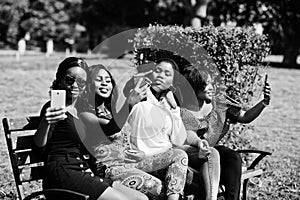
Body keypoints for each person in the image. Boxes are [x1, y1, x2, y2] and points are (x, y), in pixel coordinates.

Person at [33, 57, 148, 200]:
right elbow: (39, 148)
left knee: (140, 198)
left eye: (81, 81)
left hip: (81, 169)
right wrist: (45, 121)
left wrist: (129, 104)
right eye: (70, 80)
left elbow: (111, 128)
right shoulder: (54, 108)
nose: (75, 85)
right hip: (62, 171)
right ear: (59, 81)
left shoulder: (80, 112)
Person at [80, 64, 189, 200]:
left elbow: (125, 137)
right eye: (99, 80)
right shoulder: (85, 114)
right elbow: (111, 128)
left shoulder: (112, 110)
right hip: (110, 168)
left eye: (108, 81)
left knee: (179, 154)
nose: (104, 84)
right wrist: (129, 103)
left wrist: (139, 152)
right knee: (156, 185)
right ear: (89, 84)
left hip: (131, 163)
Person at [123, 58, 220, 200]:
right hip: (148, 157)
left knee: (211, 153)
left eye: (167, 74)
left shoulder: (169, 103)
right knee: (195, 179)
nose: (161, 75)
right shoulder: (139, 96)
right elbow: (120, 127)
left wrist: (174, 109)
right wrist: (130, 101)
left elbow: (178, 139)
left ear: (173, 82)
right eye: (157, 71)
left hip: (167, 152)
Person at [180, 64, 271, 200]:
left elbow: (245, 117)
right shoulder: (184, 111)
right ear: (194, 88)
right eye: (206, 85)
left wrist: (264, 102)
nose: (212, 88)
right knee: (213, 155)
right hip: (192, 154)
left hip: (213, 151)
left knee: (233, 157)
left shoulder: (220, 104)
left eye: (212, 83)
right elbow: (188, 136)